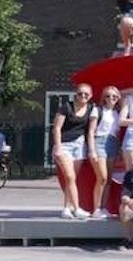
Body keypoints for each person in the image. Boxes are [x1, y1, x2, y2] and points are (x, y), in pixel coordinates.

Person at [52, 83, 98, 220]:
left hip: (79, 146)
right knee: (70, 177)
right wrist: (58, 147)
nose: (83, 96)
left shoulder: (91, 108)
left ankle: (66, 208)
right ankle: (77, 208)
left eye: (86, 94)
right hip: (65, 145)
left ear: (90, 96)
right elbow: (57, 128)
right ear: (75, 94)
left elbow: (91, 130)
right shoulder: (66, 107)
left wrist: (91, 150)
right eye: (80, 93)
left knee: (70, 179)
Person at [89, 86, 123, 218]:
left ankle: (103, 208)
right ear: (103, 97)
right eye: (108, 96)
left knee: (108, 179)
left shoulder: (118, 112)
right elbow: (91, 131)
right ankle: (96, 208)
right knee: (102, 177)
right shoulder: (97, 110)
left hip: (113, 143)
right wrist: (92, 149)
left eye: (114, 96)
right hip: (99, 142)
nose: (111, 98)